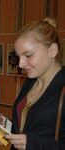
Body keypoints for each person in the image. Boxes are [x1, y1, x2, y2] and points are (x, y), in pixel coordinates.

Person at [4, 18, 65, 150]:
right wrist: (5, 132)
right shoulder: (29, 83)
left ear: (52, 51)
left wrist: (33, 144)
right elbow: (24, 125)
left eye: (29, 55)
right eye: (19, 57)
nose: (21, 64)